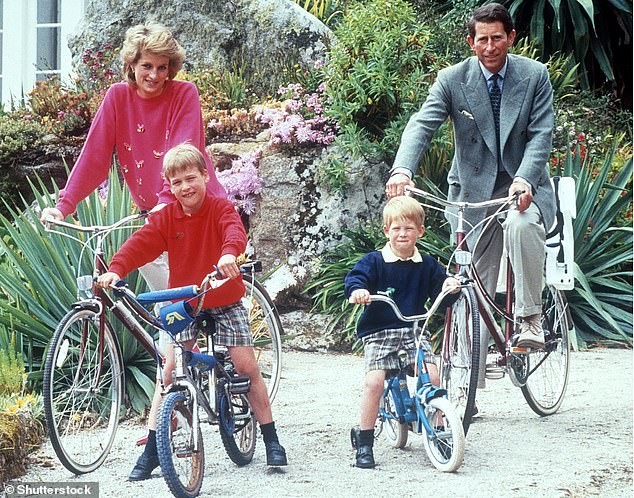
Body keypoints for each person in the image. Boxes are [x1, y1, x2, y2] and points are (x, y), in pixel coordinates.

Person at [39, 23, 228, 478]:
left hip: (190, 211)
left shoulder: (185, 95)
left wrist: (166, 206)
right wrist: (65, 206)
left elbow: (185, 151)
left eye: (164, 67)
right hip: (156, 218)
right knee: (165, 320)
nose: (156, 75)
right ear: (131, 64)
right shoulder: (116, 100)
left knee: (176, 321)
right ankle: (172, 410)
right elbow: (94, 156)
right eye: (147, 66)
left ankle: (166, 420)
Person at [385, 3, 556, 385]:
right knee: (471, 279)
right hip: (473, 191)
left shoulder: (534, 76)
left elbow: (541, 135)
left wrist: (526, 179)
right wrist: (402, 169)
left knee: (522, 222)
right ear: (471, 42)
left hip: (520, 186)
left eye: (498, 38)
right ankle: (468, 385)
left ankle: (529, 318)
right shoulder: (452, 79)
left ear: (511, 38)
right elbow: (421, 125)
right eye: (483, 39)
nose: (490, 46)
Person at [97, 143, 288, 479]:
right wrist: (117, 268)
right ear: (169, 188)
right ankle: (154, 450)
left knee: (245, 366)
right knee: (169, 371)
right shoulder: (167, 218)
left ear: (205, 175)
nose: (185, 187)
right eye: (177, 183)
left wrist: (229, 255)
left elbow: (234, 233)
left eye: (191, 178)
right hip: (187, 302)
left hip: (223, 296)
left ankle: (271, 436)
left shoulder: (220, 208)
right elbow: (140, 244)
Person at [344, 196, 459, 469]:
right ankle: (365, 440)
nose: (402, 234)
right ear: (386, 231)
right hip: (380, 332)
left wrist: (450, 286)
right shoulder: (375, 261)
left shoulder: (426, 264)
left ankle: (440, 428)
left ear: (420, 231)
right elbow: (355, 278)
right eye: (396, 228)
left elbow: (439, 289)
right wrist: (358, 291)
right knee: (374, 383)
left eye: (408, 228)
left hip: (414, 329)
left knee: (432, 374)